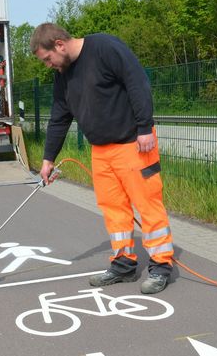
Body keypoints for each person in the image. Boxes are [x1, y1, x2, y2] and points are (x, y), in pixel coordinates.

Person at [30, 23, 174, 294]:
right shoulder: (63, 75)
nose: (48, 65)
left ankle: (160, 266)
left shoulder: (105, 48)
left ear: (59, 44)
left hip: (134, 143)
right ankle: (123, 264)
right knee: (114, 209)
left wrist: (145, 127)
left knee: (147, 204)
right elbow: (60, 116)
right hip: (102, 151)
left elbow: (137, 82)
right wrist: (48, 158)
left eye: (48, 58)